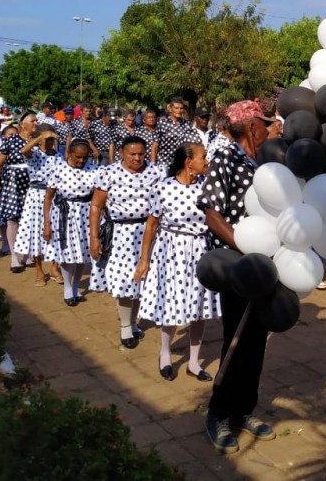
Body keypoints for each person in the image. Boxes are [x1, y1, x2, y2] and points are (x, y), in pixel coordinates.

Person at [198, 100, 278, 454]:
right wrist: (244, 248)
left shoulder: (265, 161)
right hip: (238, 263)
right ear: (249, 126)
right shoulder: (226, 159)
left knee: (258, 339)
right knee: (236, 338)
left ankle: (244, 410)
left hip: (267, 262)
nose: (269, 128)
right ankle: (218, 413)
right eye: (263, 123)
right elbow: (212, 214)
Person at [135, 142, 220, 381]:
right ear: (188, 162)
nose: (207, 161)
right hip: (172, 252)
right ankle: (165, 354)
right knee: (172, 303)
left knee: (199, 307)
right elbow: (151, 225)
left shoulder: (207, 189)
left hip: (200, 250)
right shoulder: (162, 188)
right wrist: (144, 260)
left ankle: (194, 362)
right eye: (203, 157)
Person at [88, 135, 161, 346]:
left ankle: (134, 321)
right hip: (121, 234)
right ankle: (125, 326)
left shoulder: (156, 171)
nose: (137, 158)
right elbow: (96, 206)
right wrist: (94, 237)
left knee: (142, 280)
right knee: (125, 281)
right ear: (121, 153)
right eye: (132, 154)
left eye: (141, 154)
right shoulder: (109, 173)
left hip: (149, 232)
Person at [43, 138, 98, 306]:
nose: (81, 160)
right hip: (65, 214)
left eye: (85, 157)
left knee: (83, 253)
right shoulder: (58, 170)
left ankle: (75, 286)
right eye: (78, 157)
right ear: (69, 153)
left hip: (87, 213)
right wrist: (47, 223)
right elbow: (48, 197)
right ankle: (67, 287)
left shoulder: (94, 170)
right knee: (67, 253)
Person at [0, 111, 39, 273]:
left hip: (32, 185)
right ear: (22, 125)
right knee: (13, 219)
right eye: (32, 121)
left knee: (30, 219)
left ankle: (27, 254)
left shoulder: (38, 142)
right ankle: (14, 256)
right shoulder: (10, 141)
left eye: (36, 121)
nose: (35, 124)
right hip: (12, 184)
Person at [15, 123, 61, 287]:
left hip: (55, 196)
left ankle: (55, 267)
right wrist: (41, 137)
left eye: (51, 140)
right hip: (36, 196)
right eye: (46, 140)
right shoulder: (34, 153)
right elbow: (23, 151)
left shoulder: (58, 156)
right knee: (36, 233)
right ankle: (39, 270)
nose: (49, 143)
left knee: (56, 231)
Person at [156, 97, 201, 168]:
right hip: (164, 163)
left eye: (181, 108)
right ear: (170, 109)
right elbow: (155, 145)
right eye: (176, 108)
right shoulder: (162, 123)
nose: (179, 110)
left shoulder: (186, 124)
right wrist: (153, 165)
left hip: (181, 164)